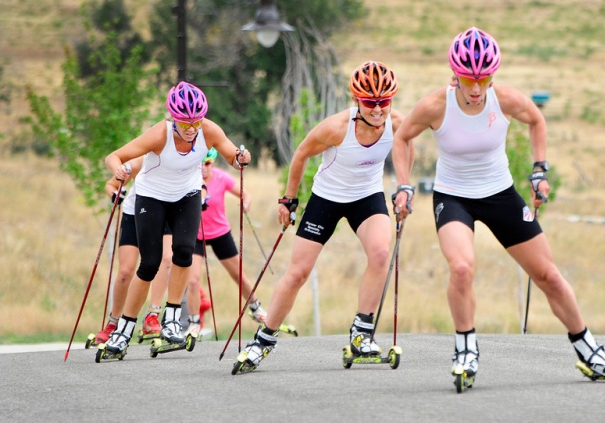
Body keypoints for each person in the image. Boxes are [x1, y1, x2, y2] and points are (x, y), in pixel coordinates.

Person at [392, 26, 605, 382]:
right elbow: (401, 138)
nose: (475, 89)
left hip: (500, 194)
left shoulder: (503, 99)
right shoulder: (434, 106)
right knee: (461, 268)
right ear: (454, 75)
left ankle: (589, 351)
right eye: (467, 79)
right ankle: (466, 350)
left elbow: (536, 120)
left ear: (493, 76)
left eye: (483, 79)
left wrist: (539, 170)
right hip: (454, 196)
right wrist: (403, 185)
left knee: (548, 274)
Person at [237, 60, 407, 371]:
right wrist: (288, 199)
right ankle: (263, 340)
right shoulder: (337, 128)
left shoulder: (397, 122)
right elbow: (301, 153)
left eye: (384, 101)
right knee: (299, 272)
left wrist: (403, 188)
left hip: (367, 197)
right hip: (327, 198)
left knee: (382, 253)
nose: (378, 109)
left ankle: (361, 332)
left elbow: (408, 145)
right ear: (356, 99)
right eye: (370, 102)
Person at [102, 81, 251, 355]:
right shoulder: (159, 134)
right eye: (185, 123)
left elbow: (232, 156)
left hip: (187, 195)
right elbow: (115, 156)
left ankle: (171, 319)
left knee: (184, 252)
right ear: (173, 118)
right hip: (152, 196)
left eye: (196, 121)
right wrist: (119, 171)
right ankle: (124, 328)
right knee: (150, 264)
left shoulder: (209, 130)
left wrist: (241, 158)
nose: (192, 128)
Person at [185, 148, 270, 337]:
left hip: (220, 233)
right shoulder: (189, 179)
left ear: (212, 164)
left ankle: (256, 308)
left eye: (207, 164)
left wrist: (246, 204)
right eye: (200, 164)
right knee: (192, 280)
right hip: (196, 235)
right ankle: (193, 322)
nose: (203, 168)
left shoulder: (221, 178)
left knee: (239, 275)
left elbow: (245, 195)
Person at [92, 156, 171, 345]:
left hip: (166, 214)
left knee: (166, 259)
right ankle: (114, 323)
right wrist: (115, 195)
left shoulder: (179, 162)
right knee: (126, 272)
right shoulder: (141, 161)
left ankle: (152, 315)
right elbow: (110, 185)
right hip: (135, 214)